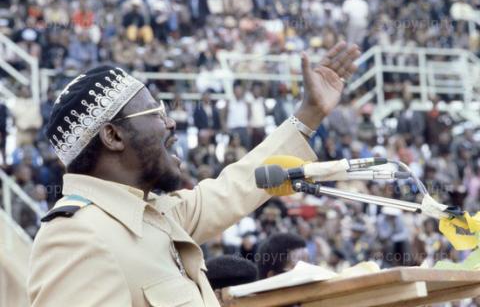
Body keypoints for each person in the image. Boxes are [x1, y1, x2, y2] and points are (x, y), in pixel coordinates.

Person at [28, 41, 360, 306]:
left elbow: (235, 187)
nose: (171, 123)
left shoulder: (156, 217)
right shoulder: (76, 238)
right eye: (157, 112)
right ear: (113, 136)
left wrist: (308, 115)